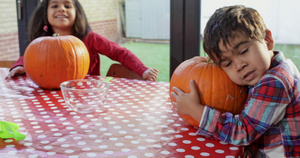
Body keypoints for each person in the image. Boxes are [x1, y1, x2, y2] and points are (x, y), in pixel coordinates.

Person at [171, 5, 300, 157]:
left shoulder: (274, 81)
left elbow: (243, 132)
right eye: (227, 63)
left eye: (243, 51)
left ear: (267, 40)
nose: (239, 65)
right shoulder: (276, 65)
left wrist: (196, 111)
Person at [6, 0, 158, 81]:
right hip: (50, 95)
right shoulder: (42, 42)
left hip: (84, 94)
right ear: (46, 15)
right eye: (54, 5)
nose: (62, 9)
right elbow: (27, 57)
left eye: (67, 5)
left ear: (77, 13)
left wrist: (142, 70)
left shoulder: (90, 38)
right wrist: (19, 66)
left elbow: (120, 53)